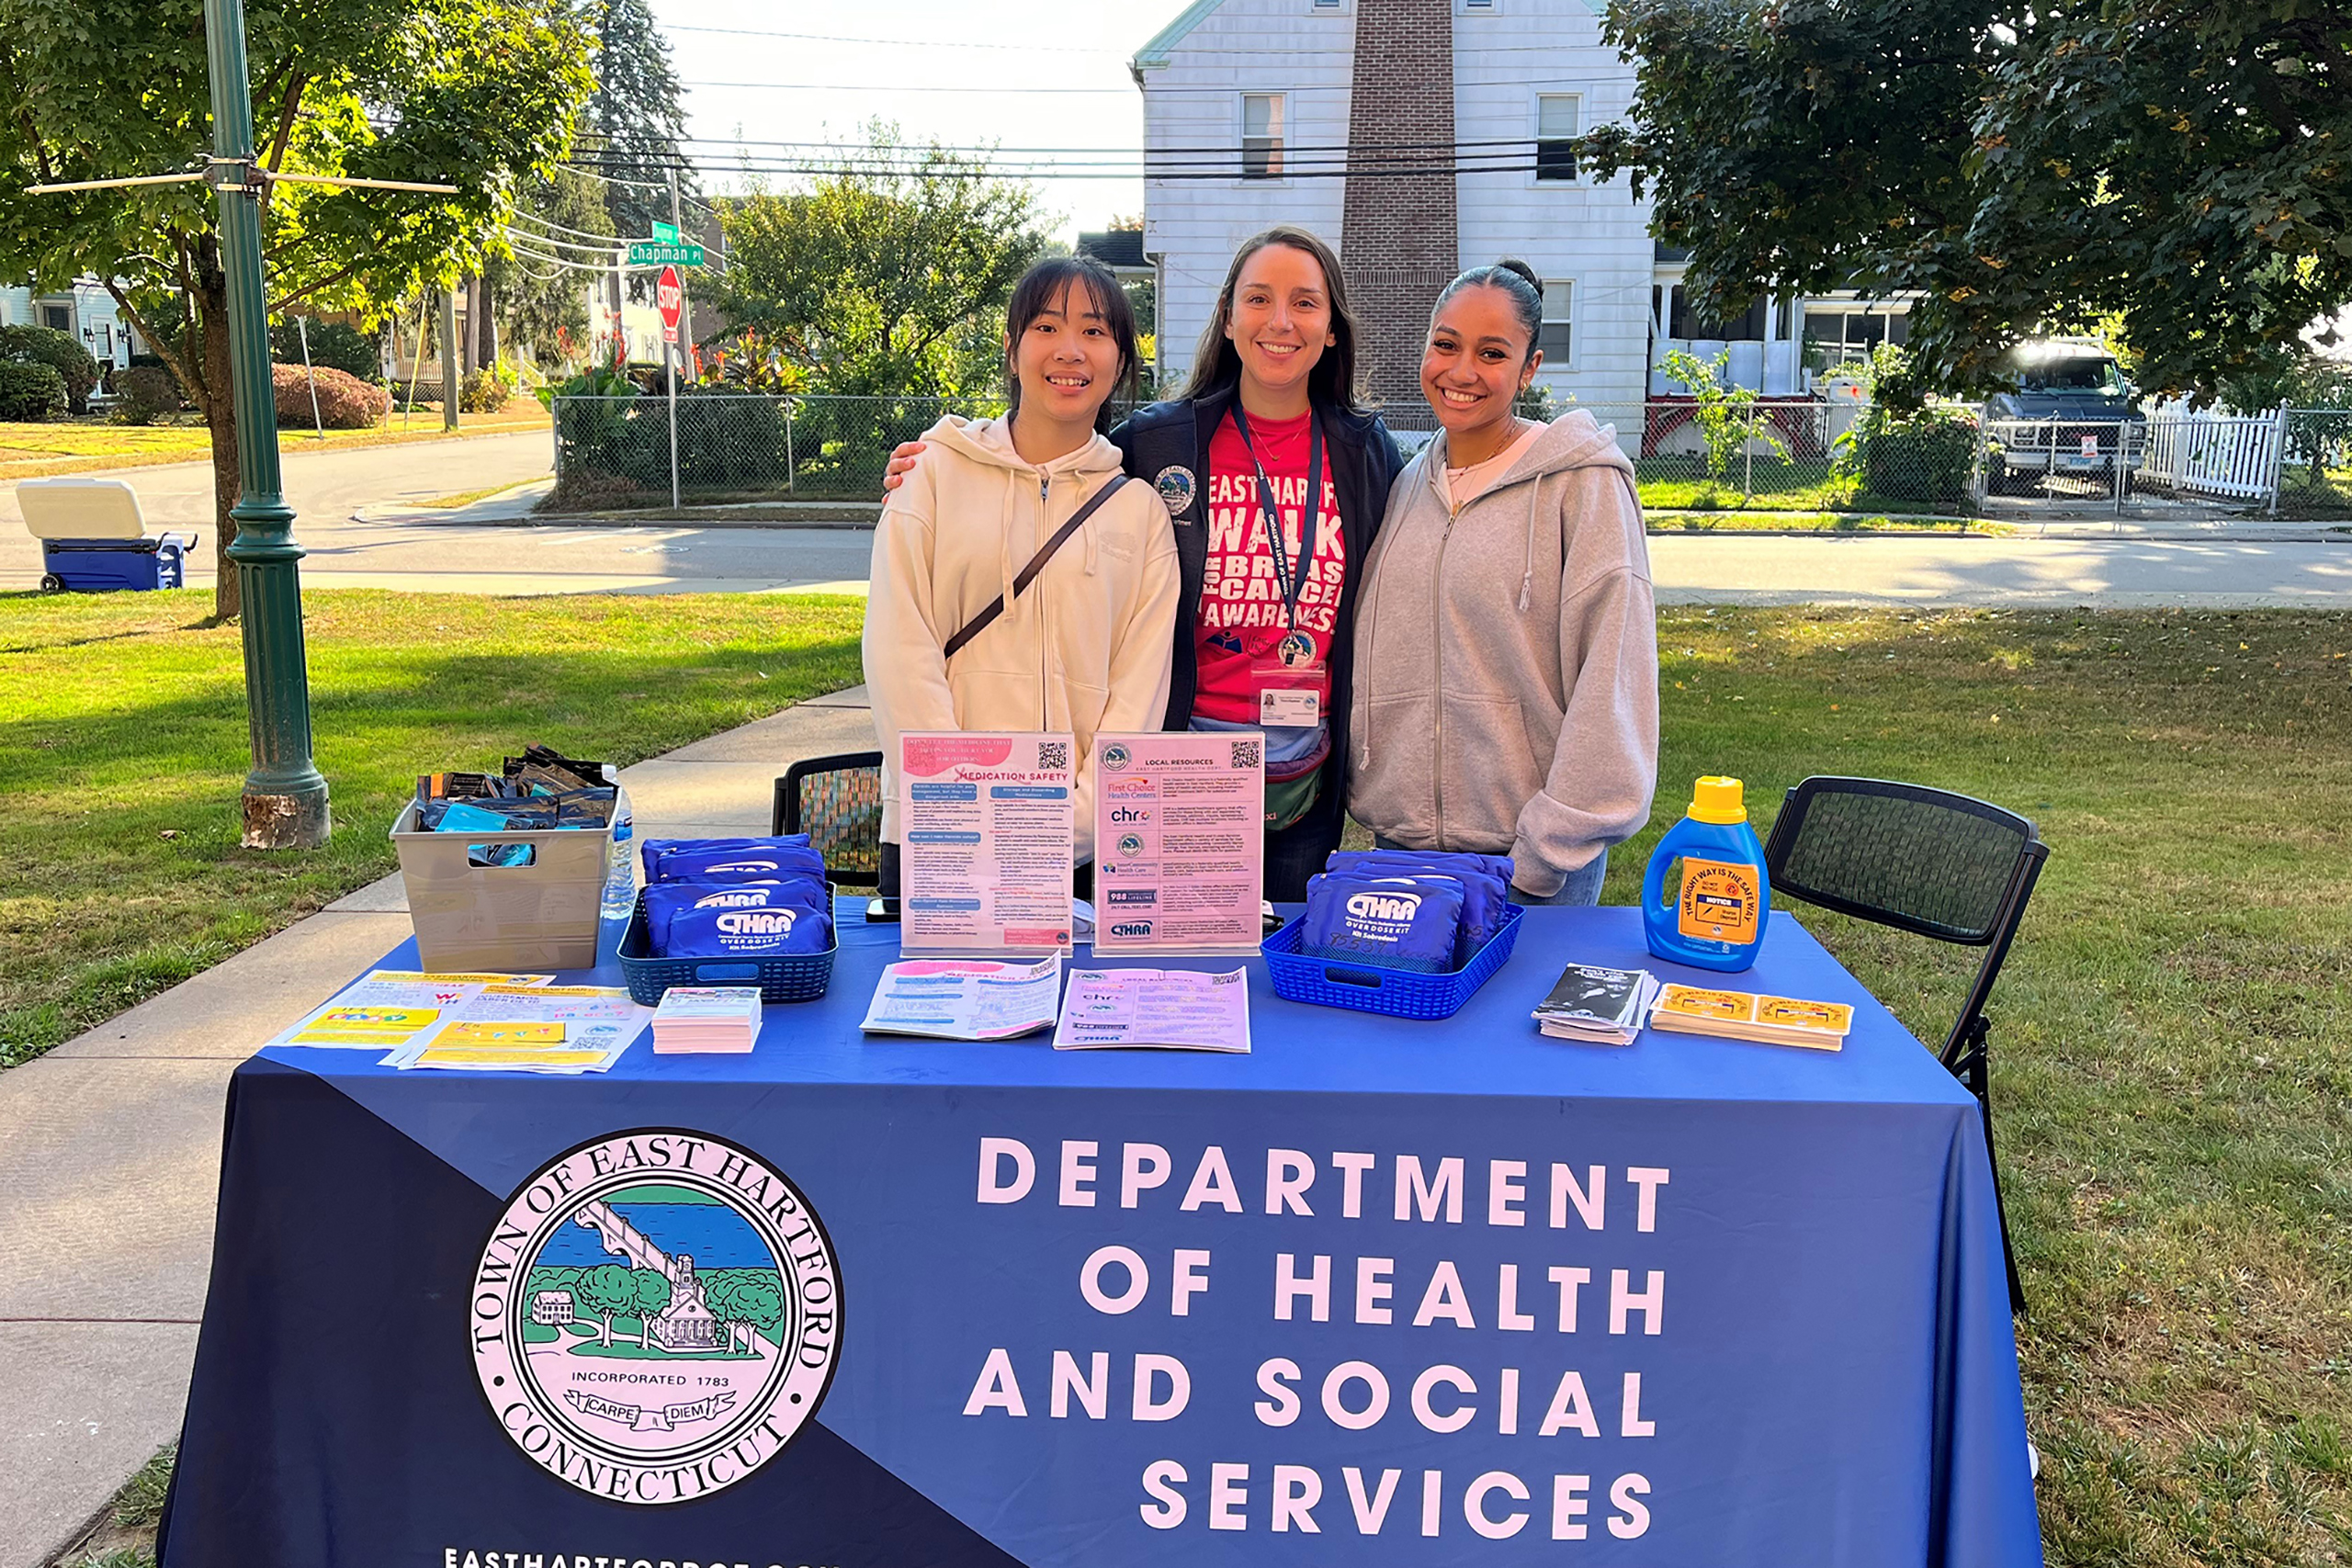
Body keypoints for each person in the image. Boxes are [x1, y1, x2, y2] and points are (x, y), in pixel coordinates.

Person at [886, 226, 1407, 899]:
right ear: (1226, 316)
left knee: (1273, 979)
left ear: (1333, 327)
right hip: (1175, 768)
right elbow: (1049, 446)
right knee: (1167, 973)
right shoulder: (1160, 443)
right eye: (1258, 298)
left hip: (1300, 772)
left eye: (1305, 302)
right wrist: (938, 458)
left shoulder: (1365, 452)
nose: (1281, 320)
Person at [862, 255, 1181, 897]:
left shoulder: (1140, 512)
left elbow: (1138, 699)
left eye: (1094, 331)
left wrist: (1065, 829)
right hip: (940, 839)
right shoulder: (930, 476)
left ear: (1120, 360)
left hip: (1082, 854)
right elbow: (899, 654)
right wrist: (963, 813)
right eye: (1046, 327)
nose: (1071, 350)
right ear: (1011, 349)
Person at [1348, 260, 1658, 905]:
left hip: (1530, 865)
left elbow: (1614, 675)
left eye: (1492, 352)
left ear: (1530, 367)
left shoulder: (1582, 483)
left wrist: (1547, 851)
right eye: (1446, 344)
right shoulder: (1408, 485)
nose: (1461, 372)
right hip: (1403, 855)